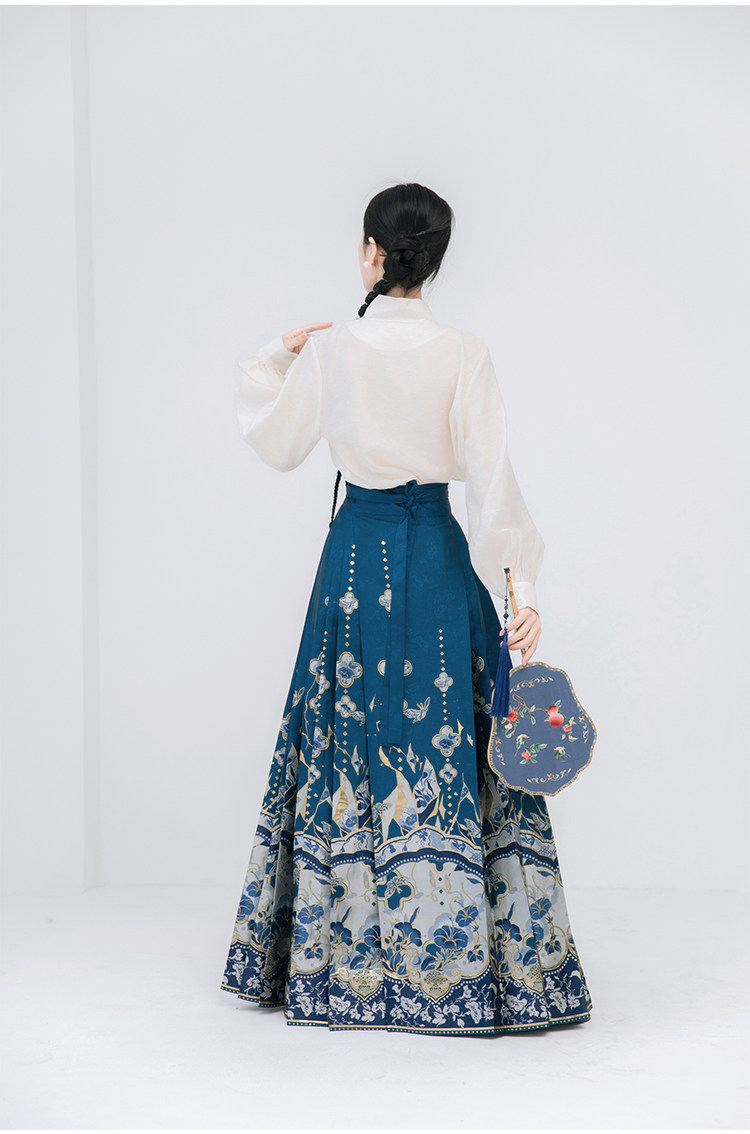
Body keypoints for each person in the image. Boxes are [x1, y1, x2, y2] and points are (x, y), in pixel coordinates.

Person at [220, 182, 593, 1035]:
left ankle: (338, 966)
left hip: (356, 562)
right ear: (435, 261)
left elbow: (276, 440)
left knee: (346, 737)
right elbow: (493, 482)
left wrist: (277, 354)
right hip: (435, 557)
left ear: (371, 253)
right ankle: (474, 971)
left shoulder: (332, 351)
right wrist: (521, 590)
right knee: (452, 741)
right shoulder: (464, 353)